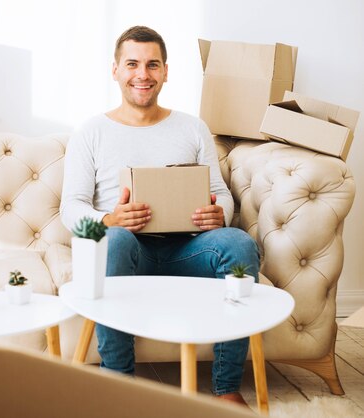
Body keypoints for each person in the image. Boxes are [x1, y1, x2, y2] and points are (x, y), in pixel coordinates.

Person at [60, 25, 260, 406]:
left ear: (166, 72)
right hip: (126, 251)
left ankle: (227, 388)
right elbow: (70, 208)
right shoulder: (91, 132)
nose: (143, 74)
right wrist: (109, 220)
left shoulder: (192, 127)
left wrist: (219, 213)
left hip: (187, 249)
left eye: (153, 65)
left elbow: (220, 193)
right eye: (132, 64)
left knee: (238, 243)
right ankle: (120, 384)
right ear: (115, 70)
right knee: (114, 240)